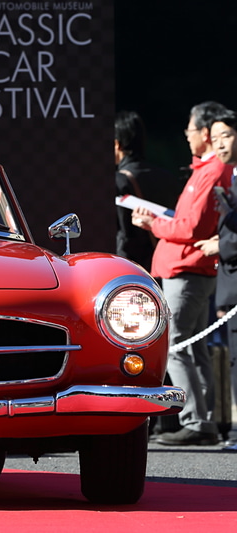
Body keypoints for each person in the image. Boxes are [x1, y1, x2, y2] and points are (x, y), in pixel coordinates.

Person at [132, 101, 233, 446]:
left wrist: (154, 223)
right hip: (187, 268)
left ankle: (195, 421)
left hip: (187, 270)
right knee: (194, 347)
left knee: (177, 345)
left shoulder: (212, 170)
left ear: (204, 132)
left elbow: (189, 226)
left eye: (190, 130)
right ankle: (205, 420)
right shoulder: (206, 169)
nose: (187, 137)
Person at [193, 109, 237, 450]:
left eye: (227, 135)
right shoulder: (232, 177)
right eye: (216, 136)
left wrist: (218, 244)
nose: (219, 143)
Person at [114, 111, 180, 270]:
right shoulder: (168, 177)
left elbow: (123, 234)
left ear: (117, 144)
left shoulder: (118, 180)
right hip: (166, 262)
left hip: (132, 267)